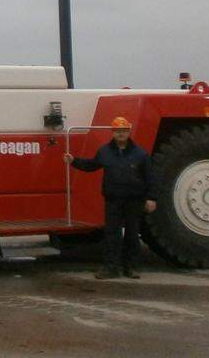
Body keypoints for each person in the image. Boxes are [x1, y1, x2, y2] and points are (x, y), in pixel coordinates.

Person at [64, 117, 157, 279]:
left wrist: (151, 198)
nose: (121, 134)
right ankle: (111, 268)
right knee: (112, 235)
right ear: (113, 133)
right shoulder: (104, 152)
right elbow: (91, 165)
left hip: (134, 201)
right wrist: (73, 161)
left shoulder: (141, 154)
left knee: (132, 234)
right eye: (117, 131)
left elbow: (150, 178)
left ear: (129, 132)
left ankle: (131, 267)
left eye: (124, 131)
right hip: (113, 200)